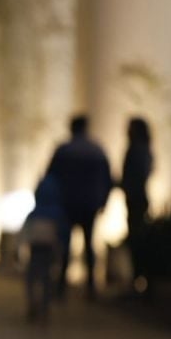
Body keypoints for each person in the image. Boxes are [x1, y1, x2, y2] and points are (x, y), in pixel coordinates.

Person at [45, 115, 113, 300]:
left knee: (65, 245)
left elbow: (50, 177)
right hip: (90, 204)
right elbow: (108, 179)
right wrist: (103, 201)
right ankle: (91, 287)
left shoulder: (64, 150)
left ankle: (61, 287)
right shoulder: (97, 150)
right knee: (89, 244)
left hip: (67, 203)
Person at [20, 173, 67, 323]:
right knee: (46, 278)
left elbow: (24, 232)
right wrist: (62, 247)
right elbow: (63, 233)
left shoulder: (34, 214)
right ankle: (44, 309)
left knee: (32, 277)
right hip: (49, 250)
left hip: (36, 249)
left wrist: (19, 247)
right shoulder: (58, 214)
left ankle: (33, 304)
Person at [120, 117, 153, 287]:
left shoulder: (137, 150)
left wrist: (124, 184)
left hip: (136, 199)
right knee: (137, 238)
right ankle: (139, 279)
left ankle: (139, 279)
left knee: (137, 239)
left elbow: (135, 177)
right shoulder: (144, 150)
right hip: (137, 198)